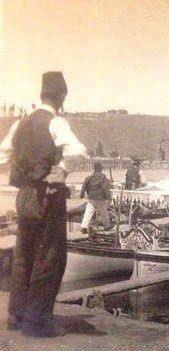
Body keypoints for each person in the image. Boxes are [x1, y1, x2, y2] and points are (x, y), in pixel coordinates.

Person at [0, 72, 87, 337]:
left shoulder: (20, 124)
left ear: (41, 94)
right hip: (48, 195)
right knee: (50, 255)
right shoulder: (56, 122)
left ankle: (17, 314)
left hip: (25, 195)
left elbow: (3, 154)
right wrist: (60, 170)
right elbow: (78, 151)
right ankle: (37, 320)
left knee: (24, 252)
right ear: (61, 96)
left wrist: (24, 173)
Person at [79, 162, 112, 233]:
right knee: (104, 212)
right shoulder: (103, 177)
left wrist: (81, 195)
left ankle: (84, 226)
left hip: (91, 197)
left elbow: (84, 186)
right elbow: (105, 188)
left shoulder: (89, 177)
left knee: (88, 212)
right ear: (100, 168)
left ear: (94, 169)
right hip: (100, 198)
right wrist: (109, 198)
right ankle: (107, 226)